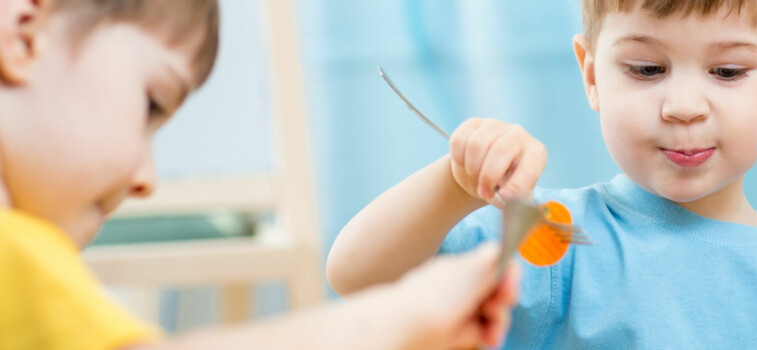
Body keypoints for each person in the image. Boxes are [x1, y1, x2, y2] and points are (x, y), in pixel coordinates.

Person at [327, 0, 757, 348]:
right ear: (591, 74)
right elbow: (359, 276)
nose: (684, 105)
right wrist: (454, 185)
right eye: (646, 68)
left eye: (728, 72)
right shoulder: (555, 244)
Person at [0, 0, 520, 349]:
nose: (147, 178)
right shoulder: (16, 253)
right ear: (24, 35)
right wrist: (397, 319)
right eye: (151, 103)